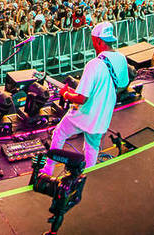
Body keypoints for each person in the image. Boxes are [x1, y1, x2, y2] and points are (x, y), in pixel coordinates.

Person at [44, 21, 129, 174]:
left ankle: (48, 169)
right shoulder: (122, 59)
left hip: (84, 114)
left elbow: (81, 98)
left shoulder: (94, 64)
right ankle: (88, 176)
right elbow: (122, 85)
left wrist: (65, 94)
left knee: (59, 134)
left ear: (98, 41)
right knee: (92, 146)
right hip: (103, 116)